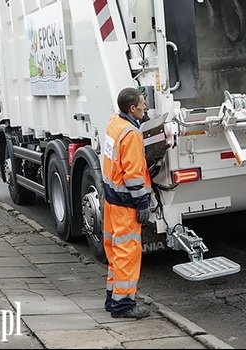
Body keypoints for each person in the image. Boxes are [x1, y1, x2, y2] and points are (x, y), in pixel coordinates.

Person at [101, 87, 152, 318]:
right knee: (128, 255)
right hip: (125, 205)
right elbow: (133, 174)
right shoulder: (131, 134)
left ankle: (113, 299)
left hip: (111, 201)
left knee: (114, 253)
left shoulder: (114, 123)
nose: (145, 107)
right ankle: (123, 307)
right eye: (142, 103)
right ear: (132, 108)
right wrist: (142, 202)